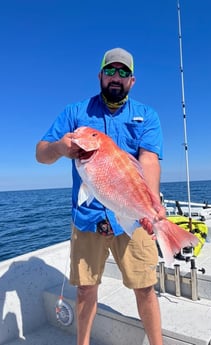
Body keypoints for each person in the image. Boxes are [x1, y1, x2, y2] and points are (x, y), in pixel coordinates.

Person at [36, 47, 164, 345]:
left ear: (132, 81)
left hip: (131, 213)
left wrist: (152, 203)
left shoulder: (147, 116)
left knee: (145, 288)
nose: (115, 77)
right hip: (87, 219)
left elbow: (148, 160)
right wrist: (58, 148)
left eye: (123, 72)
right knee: (84, 288)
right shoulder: (75, 113)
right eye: (110, 71)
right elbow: (41, 153)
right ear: (100, 76)